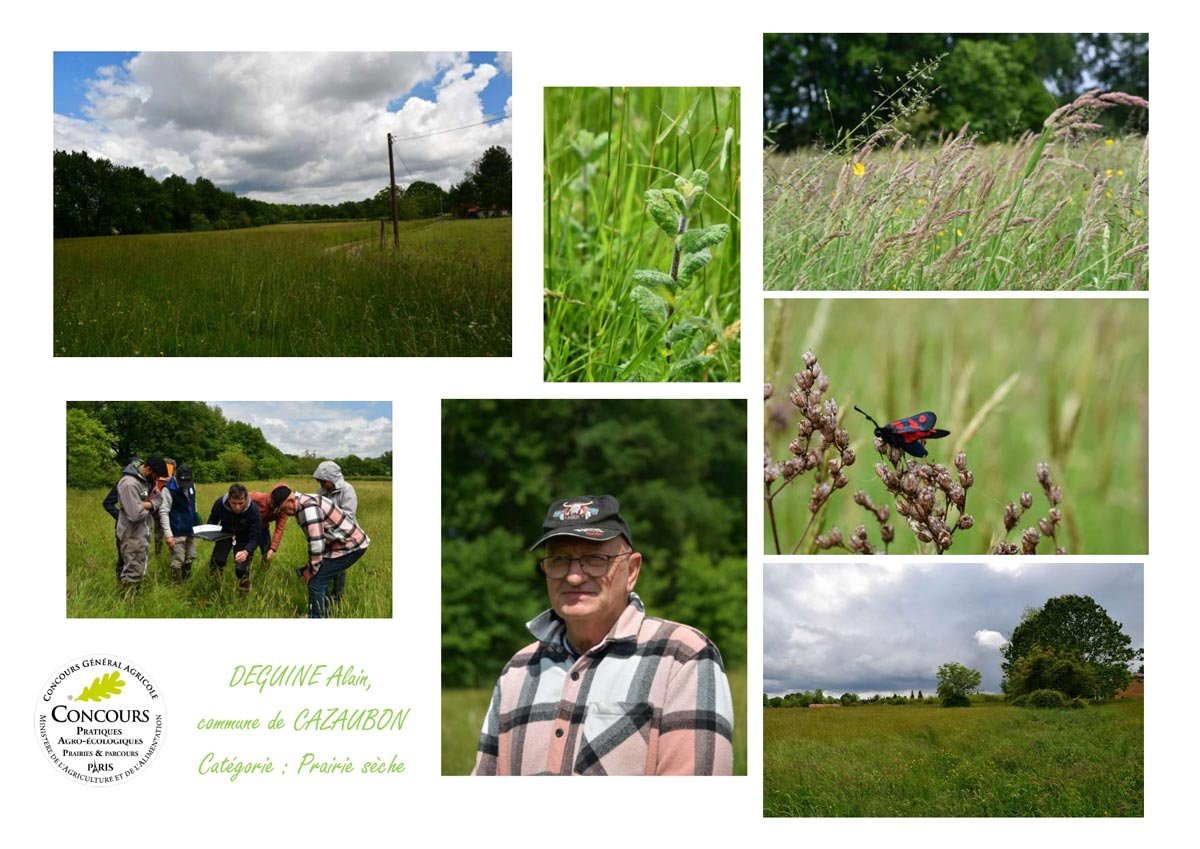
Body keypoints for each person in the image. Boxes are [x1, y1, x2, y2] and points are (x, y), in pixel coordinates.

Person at [472, 495, 734, 776]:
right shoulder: (518, 669)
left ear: (632, 570)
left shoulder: (682, 657)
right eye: (559, 560)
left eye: (595, 559)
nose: (573, 576)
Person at [284, 489, 370, 618]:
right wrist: (309, 567)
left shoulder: (308, 508)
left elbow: (317, 543)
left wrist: (312, 569)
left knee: (316, 582)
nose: (284, 513)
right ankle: (325, 612)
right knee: (315, 576)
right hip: (341, 546)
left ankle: (317, 617)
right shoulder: (305, 501)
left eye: (283, 508)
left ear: (290, 500)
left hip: (350, 547)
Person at [113, 456, 169, 595]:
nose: (157, 481)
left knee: (138, 568)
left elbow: (159, 499)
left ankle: (131, 598)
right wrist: (146, 506)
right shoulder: (129, 484)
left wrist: (146, 504)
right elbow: (135, 514)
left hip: (142, 534)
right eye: (156, 476)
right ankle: (128, 602)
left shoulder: (146, 482)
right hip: (131, 534)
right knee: (132, 570)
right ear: (148, 469)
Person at [312, 461, 358, 603]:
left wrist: (327, 518)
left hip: (344, 536)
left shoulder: (347, 490)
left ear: (332, 479)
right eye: (320, 482)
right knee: (323, 563)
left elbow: (348, 516)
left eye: (323, 482)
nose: (321, 485)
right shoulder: (322, 492)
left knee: (339, 567)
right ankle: (324, 596)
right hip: (327, 535)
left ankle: (337, 598)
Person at [207, 483, 262, 596]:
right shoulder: (220, 504)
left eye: (240, 503)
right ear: (229, 499)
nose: (237, 507)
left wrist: (247, 551)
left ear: (246, 499)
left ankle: (243, 595)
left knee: (241, 569)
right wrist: (207, 533)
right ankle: (215, 589)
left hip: (244, 537)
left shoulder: (253, 509)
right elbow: (212, 521)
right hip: (225, 534)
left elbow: (256, 536)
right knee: (217, 561)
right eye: (234, 503)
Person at [157, 463, 201, 583]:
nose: (185, 486)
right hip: (176, 529)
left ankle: (186, 579)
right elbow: (164, 512)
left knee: (191, 556)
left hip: (191, 528)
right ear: (176, 477)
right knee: (178, 559)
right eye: (183, 482)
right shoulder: (168, 489)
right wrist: (168, 535)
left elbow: (193, 503)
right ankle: (177, 583)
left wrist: (196, 520)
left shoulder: (192, 485)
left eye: (188, 482)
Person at [250, 483, 295, 566]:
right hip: (250, 529)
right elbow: (241, 500)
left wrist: (273, 549)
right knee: (248, 552)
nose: (271, 504)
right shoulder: (257, 497)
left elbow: (279, 529)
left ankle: (264, 571)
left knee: (266, 553)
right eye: (272, 501)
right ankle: (245, 573)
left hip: (263, 530)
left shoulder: (282, 512)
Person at [152, 458, 176, 556]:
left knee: (174, 533)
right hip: (157, 507)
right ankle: (158, 554)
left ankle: (174, 553)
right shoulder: (155, 477)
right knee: (158, 533)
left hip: (173, 509)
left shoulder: (176, 480)